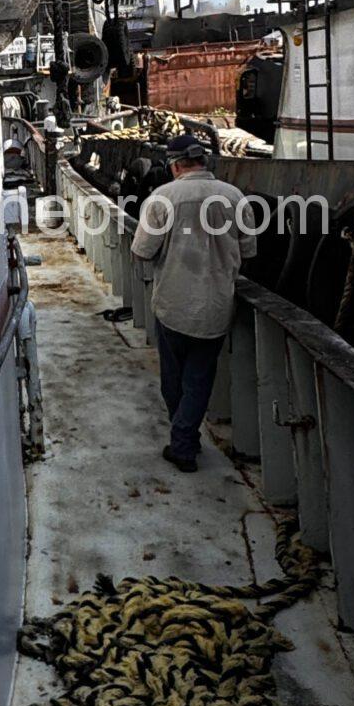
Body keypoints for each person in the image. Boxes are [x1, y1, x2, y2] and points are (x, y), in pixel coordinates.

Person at [131, 133, 249, 472]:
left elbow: (142, 251)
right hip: (216, 308)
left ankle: (183, 443)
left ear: (175, 164)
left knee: (174, 378)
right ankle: (187, 437)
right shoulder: (234, 197)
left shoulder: (163, 197)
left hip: (172, 305)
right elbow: (249, 250)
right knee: (199, 377)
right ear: (203, 161)